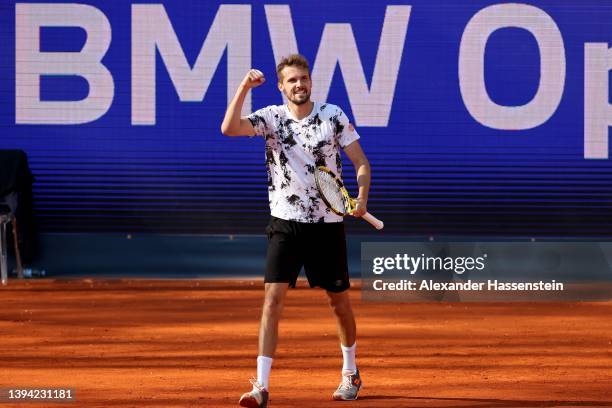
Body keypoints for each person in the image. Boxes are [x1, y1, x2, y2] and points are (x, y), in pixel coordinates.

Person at [221, 54, 371, 407]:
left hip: (327, 227)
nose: (299, 85)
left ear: (310, 82)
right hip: (284, 224)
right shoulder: (271, 118)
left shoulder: (333, 116)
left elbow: (361, 162)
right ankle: (260, 386)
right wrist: (243, 87)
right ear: (281, 86)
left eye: (303, 78)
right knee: (272, 302)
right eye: (292, 80)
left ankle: (350, 372)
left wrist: (361, 197)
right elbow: (228, 128)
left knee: (339, 304)